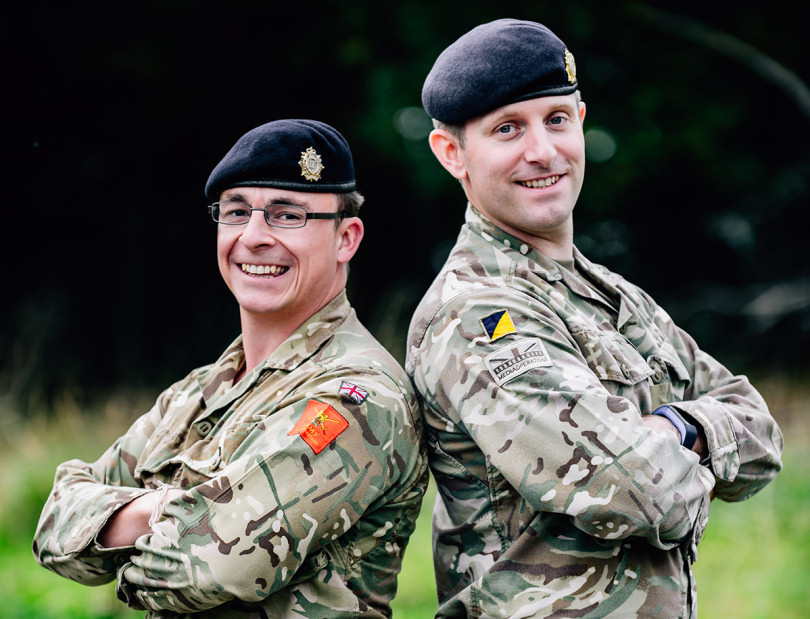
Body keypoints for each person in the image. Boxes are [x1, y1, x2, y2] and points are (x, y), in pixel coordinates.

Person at [406, 18, 783, 618]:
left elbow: (763, 436)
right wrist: (693, 451)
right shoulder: (477, 312)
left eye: (557, 119)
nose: (542, 151)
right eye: (508, 129)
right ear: (453, 153)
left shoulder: (611, 295)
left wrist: (678, 429)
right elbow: (640, 492)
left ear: (581, 123)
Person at [34, 119, 428, 618]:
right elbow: (53, 526)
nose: (255, 236)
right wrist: (172, 511)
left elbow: (206, 567)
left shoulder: (359, 399)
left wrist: (127, 523)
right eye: (236, 211)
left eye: (288, 215)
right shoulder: (199, 392)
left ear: (346, 238)